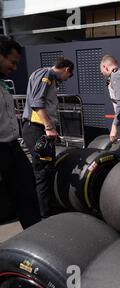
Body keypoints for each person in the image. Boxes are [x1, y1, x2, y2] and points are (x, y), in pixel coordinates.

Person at [21, 58, 74, 218]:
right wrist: (49, 127)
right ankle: (45, 214)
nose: (66, 79)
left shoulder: (46, 76)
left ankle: (48, 207)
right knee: (43, 172)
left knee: (47, 169)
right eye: (69, 76)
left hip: (41, 129)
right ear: (66, 70)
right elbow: (37, 103)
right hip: (36, 128)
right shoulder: (47, 74)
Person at [0, 36, 41, 228]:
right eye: (12, 62)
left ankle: (34, 239)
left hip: (13, 148)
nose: (15, 68)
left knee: (27, 191)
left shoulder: (3, 84)